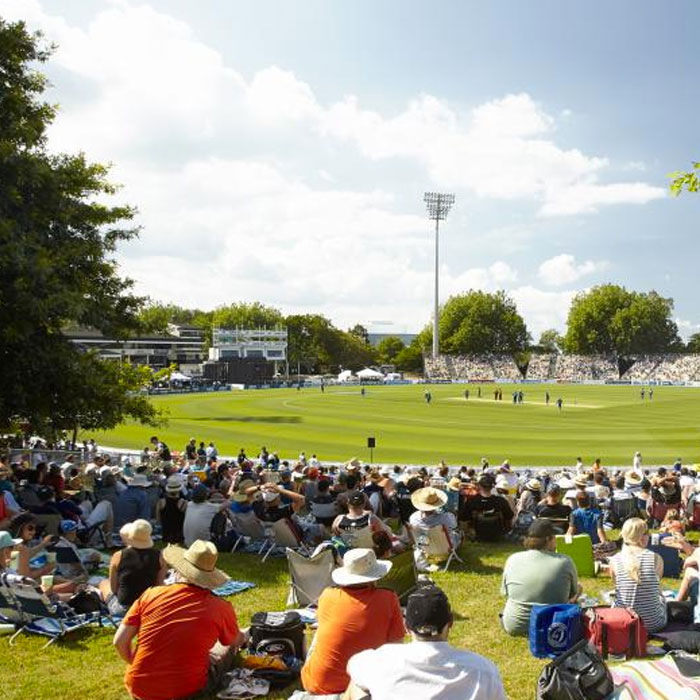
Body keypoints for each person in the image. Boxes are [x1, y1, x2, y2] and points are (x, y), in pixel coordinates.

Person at [113, 540, 245, 700]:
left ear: (178, 570)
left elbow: (119, 641)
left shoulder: (150, 595)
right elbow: (234, 640)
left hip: (139, 688)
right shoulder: (220, 607)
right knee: (225, 648)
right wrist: (244, 635)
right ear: (209, 578)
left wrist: (136, 664)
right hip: (186, 690)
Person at [346, 584, 507, 700]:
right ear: (450, 623)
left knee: (356, 685)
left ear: (406, 626)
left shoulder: (381, 660)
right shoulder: (483, 670)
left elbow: (352, 666)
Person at [300, 548, 405, 695]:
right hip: (366, 687)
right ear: (374, 576)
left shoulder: (327, 595)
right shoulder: (388, 598)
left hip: (318, 684)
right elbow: (396, 646)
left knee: (319, 634)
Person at [500, 520, 581, 636]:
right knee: (578, 590)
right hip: (554, 626)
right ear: (548, 539)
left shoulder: (512, 559)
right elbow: (572, 594)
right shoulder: (565, 561)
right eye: (554, 537)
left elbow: (506, 593)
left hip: (515, 626)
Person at [609, 518, 666, 633]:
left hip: (622, 623)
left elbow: (617, 586)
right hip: (652, 623)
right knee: (661, 598)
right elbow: (655, 586)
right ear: (642, 537)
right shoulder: (656, 558)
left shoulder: (614, 560)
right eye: (647, 533)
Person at [99, 519, 166, 616]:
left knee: (103, 583)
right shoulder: (159, 556)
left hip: (124, 610)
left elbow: (114, 589)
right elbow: (159, 585)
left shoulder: (119, 556)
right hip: (149, 607)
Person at [409, 487, 461, 571]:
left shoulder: (413, 518)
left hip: (424, 546)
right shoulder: (446, 517)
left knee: (423, 536)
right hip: (445, 548)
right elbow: (454, 526)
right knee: (457, 534)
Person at [461, 474, 514, 542]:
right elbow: (509, 517)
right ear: (492, 487)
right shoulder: (501, 501)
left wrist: (466, 533)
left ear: (479, 486)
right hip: (497, 535)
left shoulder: (471, 501)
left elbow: (464, 519)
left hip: (477, 535)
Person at [156, 475, 188, 544]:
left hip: (165, 535)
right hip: (179, 536)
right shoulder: (183, 502)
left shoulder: (161, 502)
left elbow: (158, 520)